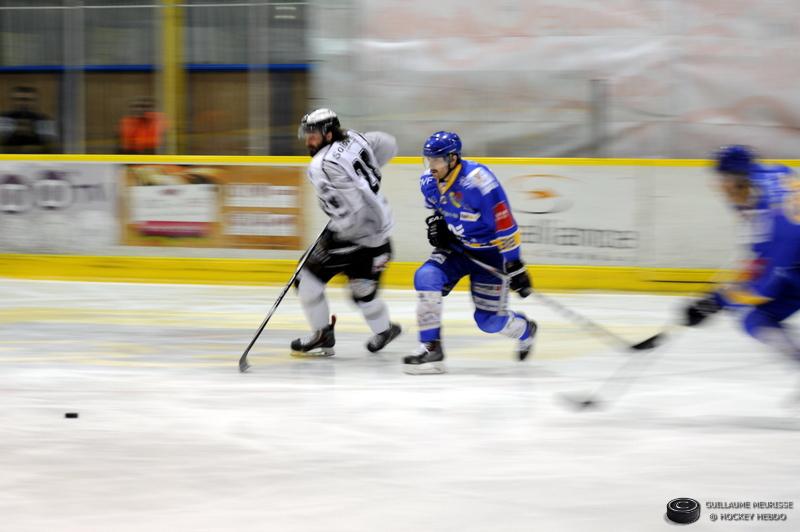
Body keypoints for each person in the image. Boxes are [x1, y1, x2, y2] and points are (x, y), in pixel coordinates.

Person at [403, 131, 537, 374]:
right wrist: (438, 225)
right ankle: (431, 347)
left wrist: (515, 265)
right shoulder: (428, 181)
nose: (431, 166)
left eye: (437, 160)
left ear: (453, 159)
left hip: (490, 255)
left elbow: (505, 224)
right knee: (426, 277)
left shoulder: (480, 183)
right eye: (428, 159)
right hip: (457, 250)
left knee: (489, 322)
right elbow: (439, 210)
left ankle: (525, 330)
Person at [292, 108, 402, 357]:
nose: (308, 140)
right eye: (306, 134)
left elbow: (353, 212)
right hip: (379, 231)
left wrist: (339, 229)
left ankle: (322, 335)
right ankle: (384, 330)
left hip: (354, 234)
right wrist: (369, 177)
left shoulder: (321, 165)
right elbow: (388, 144)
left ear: (329, 134)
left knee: (306, 279)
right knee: (363, 291)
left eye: (313, 134)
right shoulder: (353, 137)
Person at [684, 145, 800, 364]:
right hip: (793, 263)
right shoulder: (772, 174)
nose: (719, 187)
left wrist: (714, 302)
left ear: (737, 180)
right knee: (756, 319)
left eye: (723, 180)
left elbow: (762, 287)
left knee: (755, 317)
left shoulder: (774, 224)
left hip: (790, 260)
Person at [0, 86, 57, 153]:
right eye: (19, 100)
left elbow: (52, 147)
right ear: (13, 101)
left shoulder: (44, 121)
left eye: (27, 100)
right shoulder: (4, 119)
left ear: (35, 101)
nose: (23, 104)